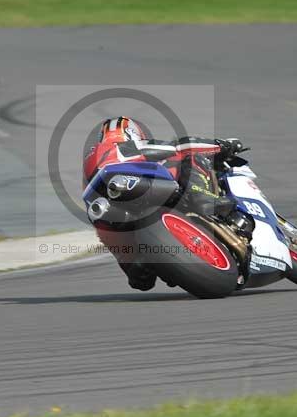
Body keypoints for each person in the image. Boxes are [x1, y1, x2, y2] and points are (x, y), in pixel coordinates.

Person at [82, 117, 248, 291]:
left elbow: (104, 231)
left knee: (137, 273)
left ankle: (138, 265)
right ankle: (204, 198)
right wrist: (223, 146)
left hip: (106, 211)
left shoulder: (92, 163)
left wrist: (129, 265)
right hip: (136, 187)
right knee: (189, 154)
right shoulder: (124, 147)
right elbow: (179, 147)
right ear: (132, 133)